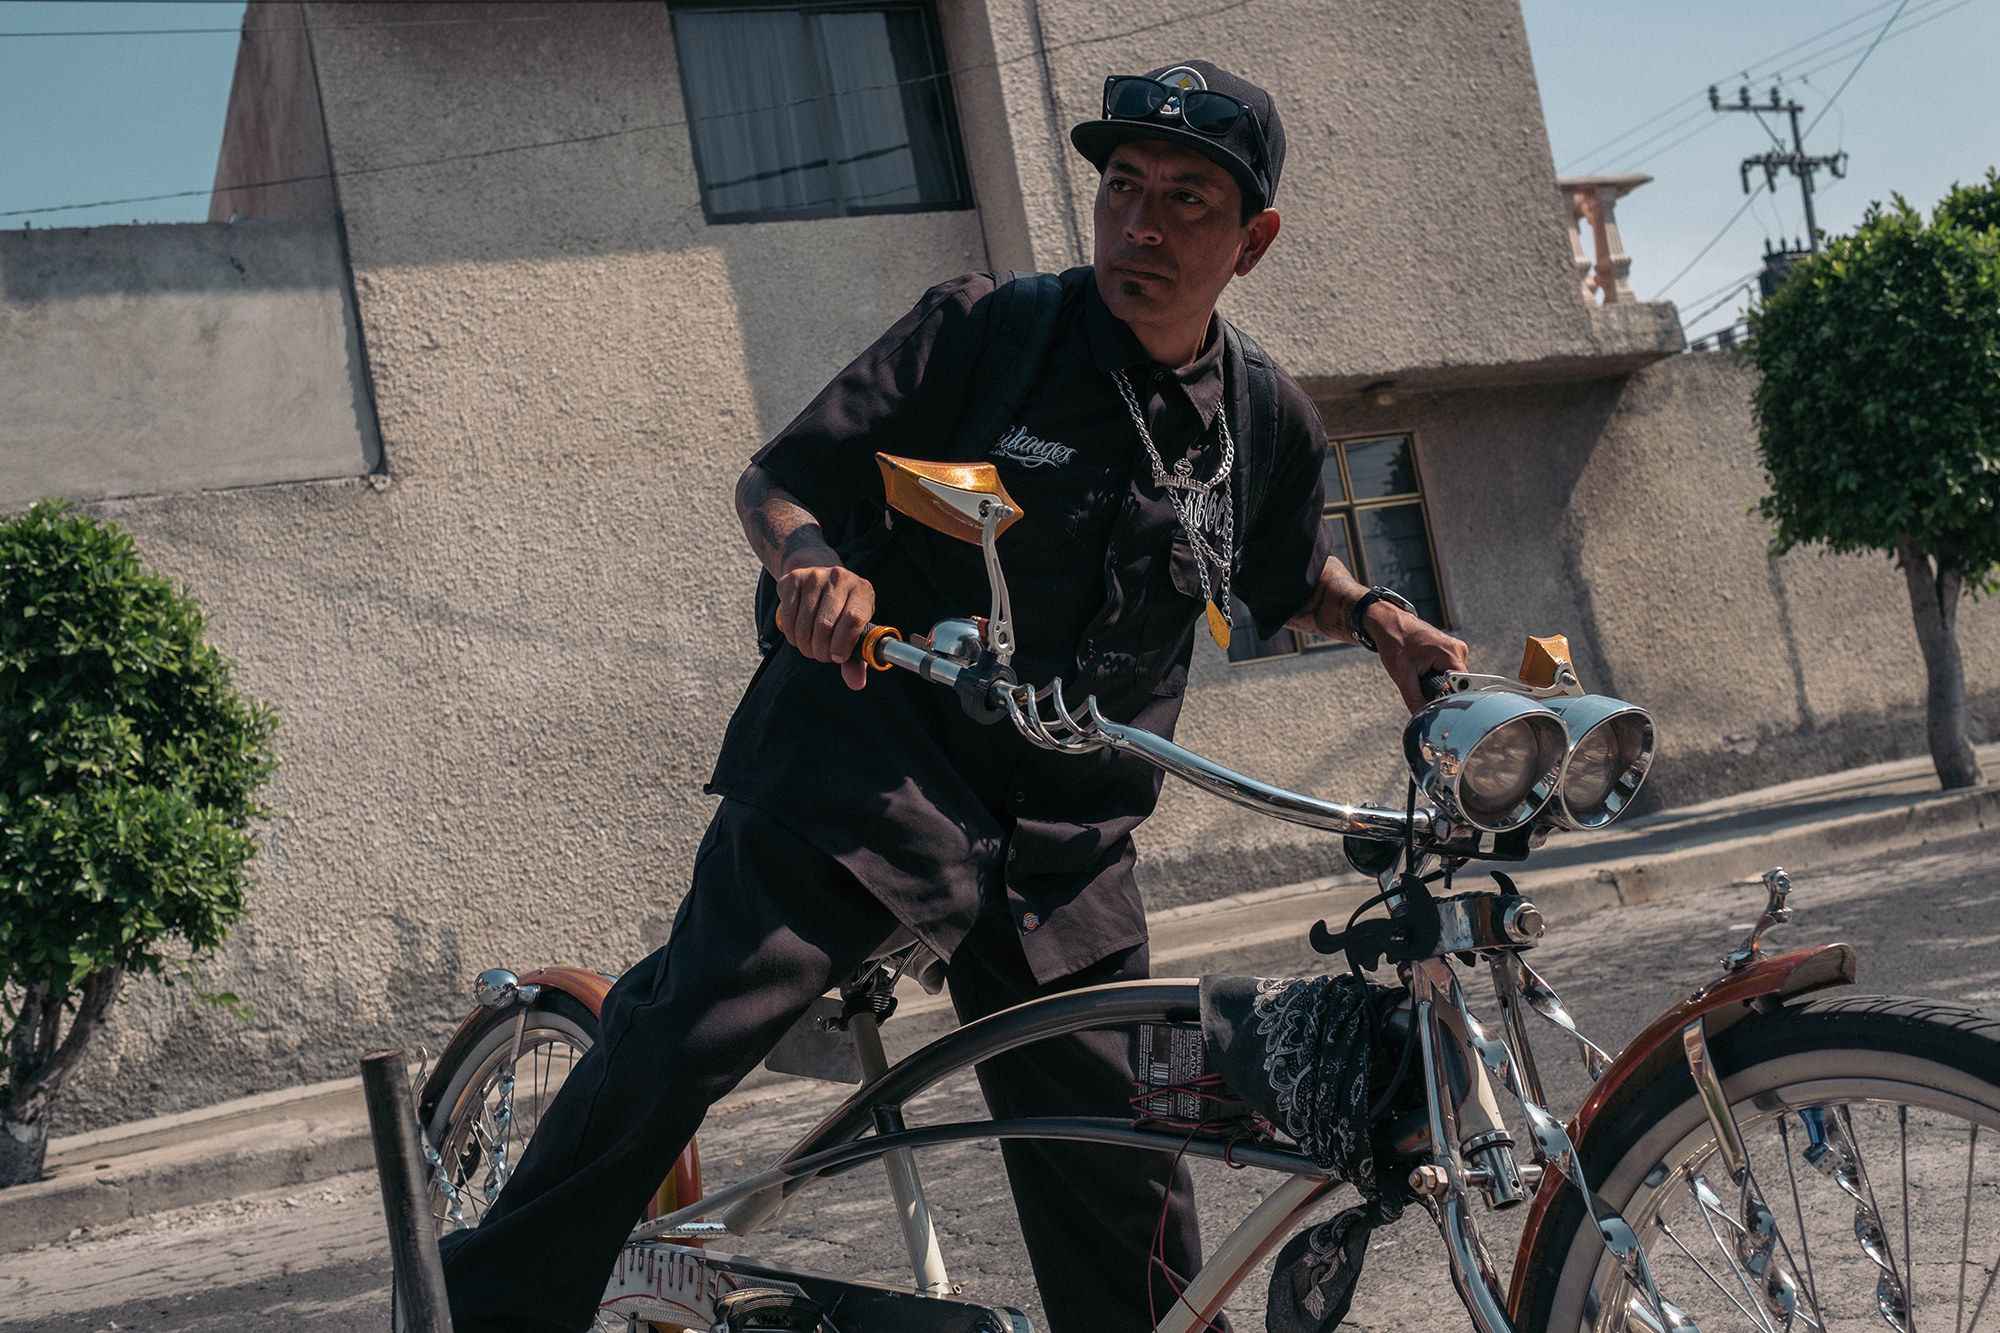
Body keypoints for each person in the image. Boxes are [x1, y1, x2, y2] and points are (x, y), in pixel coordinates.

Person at [439, 58, 1466, 1333]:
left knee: (1119, 1163)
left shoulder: (1263, 418)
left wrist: (1374, 617)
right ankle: (473, 1311)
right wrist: (809, 561)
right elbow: (780, 481)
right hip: (870, 773)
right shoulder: (989, 333)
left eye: (1187, 201)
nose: (1139, 225)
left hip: (1063, 843)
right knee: (688, 1026)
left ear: (1252, 240)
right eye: (1122, 188)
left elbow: (1280, 569)